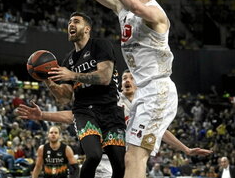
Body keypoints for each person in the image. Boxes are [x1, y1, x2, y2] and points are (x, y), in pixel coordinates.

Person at [37, 0, 196, 178]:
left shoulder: (156, 15)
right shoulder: (123, 8)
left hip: (158, 88)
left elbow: (134, 5)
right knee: (129, 158)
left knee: (134, 157)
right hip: (144, 91)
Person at [18, 70, 212, 177]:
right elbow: (74, 115)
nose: (127, 80)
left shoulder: (143, 107)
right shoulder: (111, 101)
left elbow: (161, 132)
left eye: (131, 77)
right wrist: (43, 115)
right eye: (124, 78)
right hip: (106, 158)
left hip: (130, 161)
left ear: (138, 84)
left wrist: (185, 149)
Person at [38, 12, 126, 178]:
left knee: (120, 165)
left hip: (110, 110)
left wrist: (72, 75)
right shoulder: (68, 60)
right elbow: (64, 97)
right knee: (94, 156)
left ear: (87, 29)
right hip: (84, 112)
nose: (71, 24)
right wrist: (47, 80)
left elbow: (105, 77)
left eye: (76, 22)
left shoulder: (101, 45)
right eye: (69, 22)